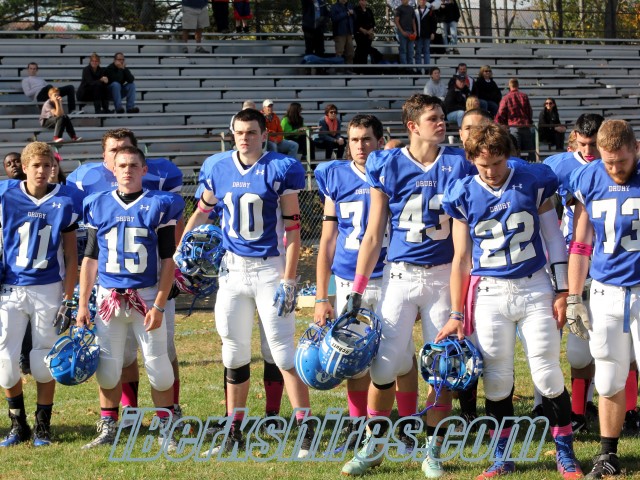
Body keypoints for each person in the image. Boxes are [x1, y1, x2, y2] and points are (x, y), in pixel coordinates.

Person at [340, 94, 475, 477]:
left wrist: (459, 303)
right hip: (399, 275)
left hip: (442, 275)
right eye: (433, 118)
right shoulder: (387, 164)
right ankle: (375, 444)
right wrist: (357, 289)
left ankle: (433, 450)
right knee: (383, 367)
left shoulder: (457, 163)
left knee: (442, 369)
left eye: (441, 116)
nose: (441, 123)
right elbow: (373, 233)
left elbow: (463, 242)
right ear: (413, 126)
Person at [438, 122, 582, 479]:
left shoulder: (532, 179)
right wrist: (456, 312)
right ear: (472, 160)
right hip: (489, 292)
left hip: (534, 287)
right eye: (483, 165)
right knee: (497, 379)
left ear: (509, 156)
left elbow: (554, 238)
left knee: (547, 373)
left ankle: (565, 453)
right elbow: (461, 258)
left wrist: (563, 290)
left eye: (497, 163)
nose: (491, 171)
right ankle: (501, 456)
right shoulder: (463, 192)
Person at [183, 108, 313, 455]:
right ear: (233, 134)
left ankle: (305, 429)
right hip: (232, 271)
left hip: (270, 269)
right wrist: (183, 247)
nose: (245, 138)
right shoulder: (218, 167)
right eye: (239, 132)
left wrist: (289, 279)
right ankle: (233, 431)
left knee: (282, 352)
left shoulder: (279, 168)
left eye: (251, 132)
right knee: (233, 352)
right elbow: (202, 211)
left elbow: (293, 230)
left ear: (264, 135)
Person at [314, 114, 420, 452]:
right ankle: (357, 426)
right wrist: (322, 295)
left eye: (367, 139)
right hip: (349, 278)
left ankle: (407, 424)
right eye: (355, 139)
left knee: (402, 357)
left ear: (380, 140)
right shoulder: (334, 175)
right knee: (353, 358)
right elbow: (328, 240)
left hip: (390, 276)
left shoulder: (392, 171)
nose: (360, 146)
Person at [66, 129, 184, 431]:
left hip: (146, 296)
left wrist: (159, 305)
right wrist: (83, 304)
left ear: (144, 170)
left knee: (159, 367)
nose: (127, 170)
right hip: (109, 298)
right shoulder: (97, 203)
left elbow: (168, 259)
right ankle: (109, 426)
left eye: (133, 165)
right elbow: (90, 259)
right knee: (108, 367)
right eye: (122, 165)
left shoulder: (160, 203)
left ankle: (166, 426)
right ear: (112, 169)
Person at [568, 119, 640, 478]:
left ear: (636, 149)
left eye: (622, 161)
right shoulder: (589, 177)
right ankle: (608, 455)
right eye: (609, 162)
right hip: (606, 290)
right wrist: (573, 296)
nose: (615, 169)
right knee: (609, 376)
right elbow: (580, 244)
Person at [0, 141, 81, 447]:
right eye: (36, 165)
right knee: (5, 361)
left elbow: (71, 255)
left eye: (48, 166)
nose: (42, 171)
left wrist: (69, 298)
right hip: (11, 287)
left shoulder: (66, 199)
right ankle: (17, 423)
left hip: (48, 287)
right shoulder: (5, 195)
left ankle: (42, 425)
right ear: (24, 167)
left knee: (43, 359)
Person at [543, 113, 605, 435]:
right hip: (571, 256)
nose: (589, 151)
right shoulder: (558, 165)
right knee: (568, 340)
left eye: (594, 144)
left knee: (607, 343)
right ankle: (565, 407)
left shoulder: (618, 163)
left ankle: (610, 405)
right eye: (583, 144)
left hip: (607, 260)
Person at [495, 77, 534, 162]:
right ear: (518, 85)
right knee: (529, 151)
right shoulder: (524, 96)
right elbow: (529, 111)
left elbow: (501, 112)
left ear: (509, 86)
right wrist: (529, 121)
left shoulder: (506, 98)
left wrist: (499, 123)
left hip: (514, 126)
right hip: (525, 126)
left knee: (515, 151)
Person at [353, 0, 382, 65]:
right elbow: (355, 22)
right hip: (359, 34)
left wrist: (370, 30)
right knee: (361, 49)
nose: (364, 2)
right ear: (359, 1)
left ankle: (364, 66)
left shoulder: (369, 10)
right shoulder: (356, 10)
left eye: (365, 0)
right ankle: (358, 67)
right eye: (362, 0)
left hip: (369, 34)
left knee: (365, 50)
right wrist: (364, 30)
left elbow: (373, 22)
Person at [330, 0, 355, 66]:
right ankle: (339, 70)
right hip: (339, 33)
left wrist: (353, 13)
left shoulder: (350, 5)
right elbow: (334, 18)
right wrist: (346, 14)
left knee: (350, 53)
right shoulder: (334, 7)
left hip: (349, 33)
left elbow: (355, 17)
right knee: (339, 53)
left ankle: (349, 69)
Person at [414, 0, 437, 67]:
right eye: (421, 0)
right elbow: (413, 23)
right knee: (418, 52)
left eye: (424, 0)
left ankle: (427, 69)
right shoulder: (415, 11)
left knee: (426, 51)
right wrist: (414, 32)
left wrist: (433, 32)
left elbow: (434, 23)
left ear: (425, 1)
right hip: (418, 35)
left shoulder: (430, 11)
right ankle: (418, 69)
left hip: (427, 35)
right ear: (418, 1)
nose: (422, 1)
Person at [395, 0, 416, 65]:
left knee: (411, 51)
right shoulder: (399, 9)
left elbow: (413, 21)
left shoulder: (411, 9)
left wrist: (415, 31)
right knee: (403, 50)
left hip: (411, 33)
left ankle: (410, 67)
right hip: (402, 33)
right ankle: (404, 67)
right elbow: (396, 21)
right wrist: (402, 32)